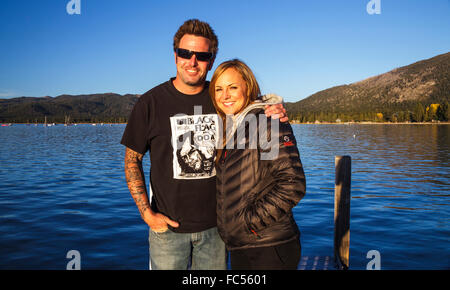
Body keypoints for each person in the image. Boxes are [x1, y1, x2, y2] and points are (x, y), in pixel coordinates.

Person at [120, 19, 288, 270]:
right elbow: (132, 159)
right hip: (167, 231)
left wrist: (272, 108)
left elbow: (253, 107)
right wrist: (146, 213)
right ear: (175, 55)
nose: (192, 61)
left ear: (211, 60)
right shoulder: (150, 103)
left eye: (201, 55)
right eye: (186, 53)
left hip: (218, 229)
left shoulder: (221, 98)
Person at [209, 59, 306, 270]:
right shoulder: (233, 127)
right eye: (218, 89)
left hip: (268, 247)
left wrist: (249, 223)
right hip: (242, 245)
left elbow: (292, 185)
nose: (224, 95)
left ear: (248, 87)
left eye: (232, 87)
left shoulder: (266, 122)